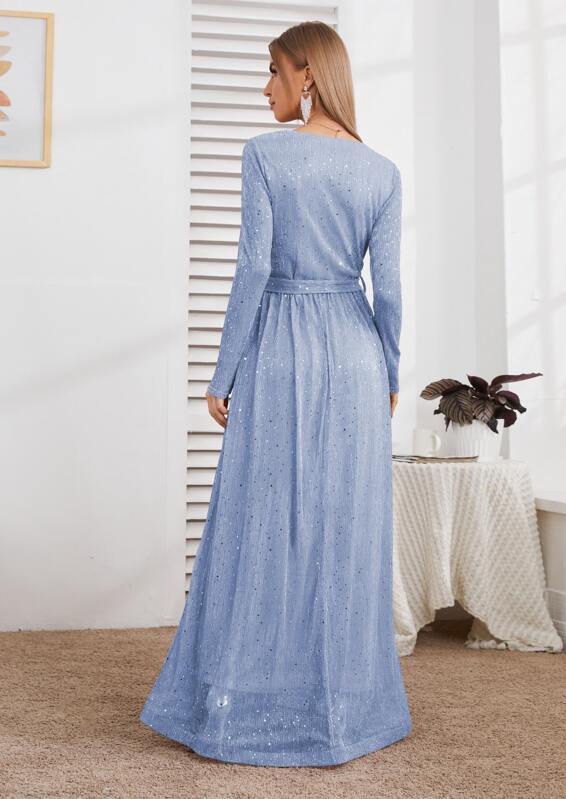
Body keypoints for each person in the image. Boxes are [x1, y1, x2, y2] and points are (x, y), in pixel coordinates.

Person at [139, 20, 412, 767]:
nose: (265, 88)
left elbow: (254, 268)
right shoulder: (382, 171)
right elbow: (388, 291)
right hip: (355, 352)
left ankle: (243, 699)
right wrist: (390, 371)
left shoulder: (265, 154)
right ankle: (343, 709)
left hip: (282, 346)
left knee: (263, 520)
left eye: (272, 71)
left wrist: (222, 371)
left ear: (307, 75)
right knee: (343, 526)